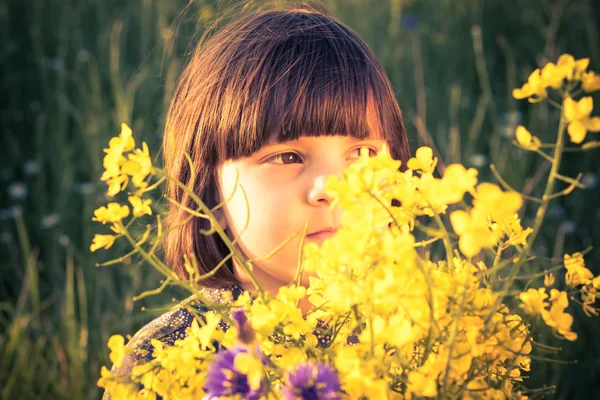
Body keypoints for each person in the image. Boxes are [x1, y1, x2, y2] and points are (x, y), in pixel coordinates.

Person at [103, 2, 410, 398]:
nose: (333, 188)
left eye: (362, 154)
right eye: (287, 157)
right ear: (207, 194)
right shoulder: (161, 359)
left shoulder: (426, 338)